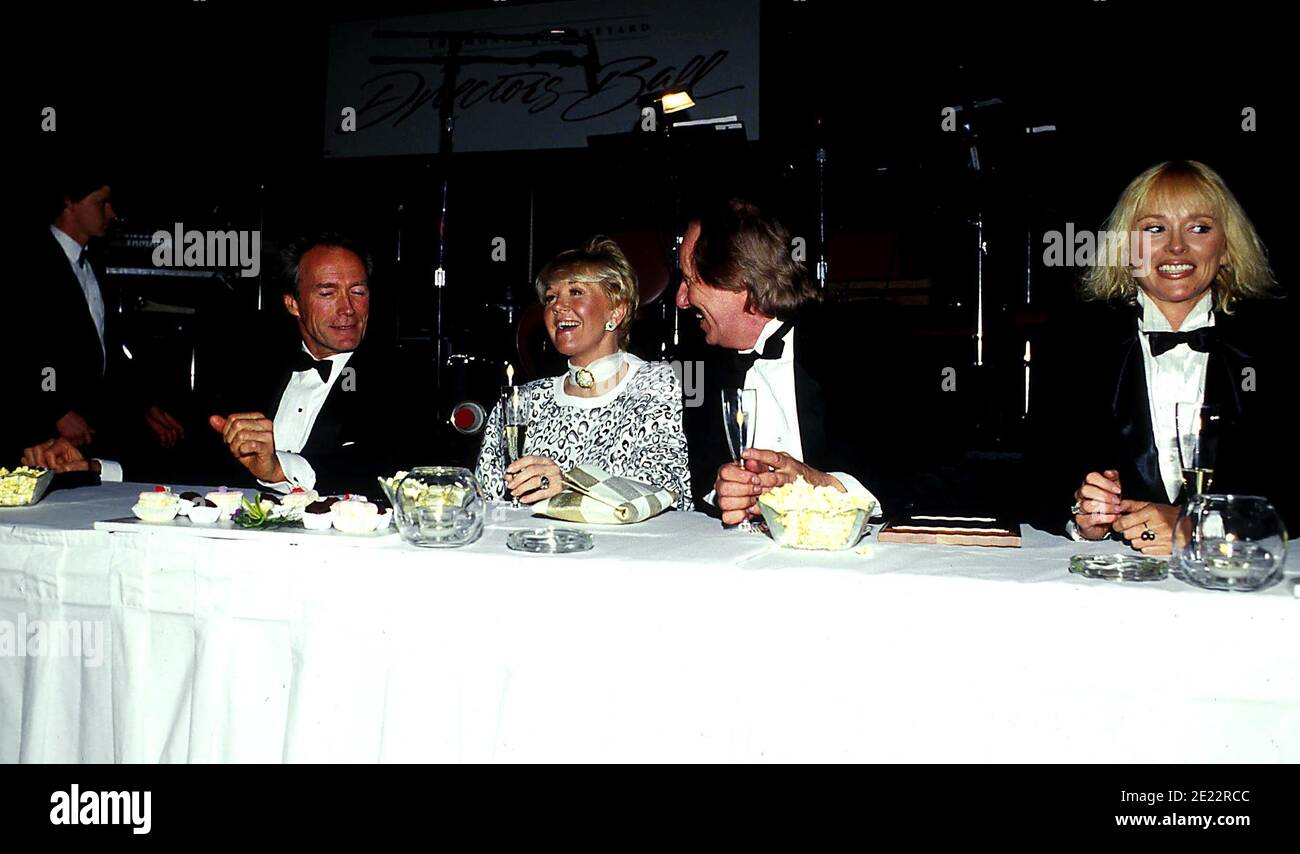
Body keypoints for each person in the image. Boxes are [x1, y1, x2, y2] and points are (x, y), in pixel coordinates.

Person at [1028, 160, 1292, 552]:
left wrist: (1198, 528)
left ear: (1226, 248)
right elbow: (1029, 475)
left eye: (1199, 228)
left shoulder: (1278, 348)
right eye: (1154, 229)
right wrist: (1081, 515)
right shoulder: (1075, 346)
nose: (1176, 247)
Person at [35, 232, 416, 497]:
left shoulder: (400, 379)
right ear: (292, 303)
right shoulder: (255, 371)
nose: (348, 309)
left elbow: (388, 472)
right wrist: (96, 468)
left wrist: (278, 469)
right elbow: (196, 462)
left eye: (358, 292)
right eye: (328, 292)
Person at [676, 198, 907, 526]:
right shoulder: (698, 364)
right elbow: (701, 476)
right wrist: (724, 490)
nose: (681, 300)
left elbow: (920, 473)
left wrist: (825, 485)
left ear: (738, 280)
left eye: (689, 280)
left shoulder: (858, 347)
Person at [475, 236, 692, 508]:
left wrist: (569, 484)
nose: (557, 306)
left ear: (616, 311)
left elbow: (668, 492)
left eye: (576, 292)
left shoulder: (659, 385)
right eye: (550, 297)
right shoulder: (523, 403)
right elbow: (487, 505)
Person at [14, 175, 185, 467]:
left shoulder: (95, 266)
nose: (112, 213)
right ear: (69, 202)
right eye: (101, 202)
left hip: (89, 429)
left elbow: (107, 350)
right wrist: (55, 411)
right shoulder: (28, 261)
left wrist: (144, 406)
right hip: (36, 433)